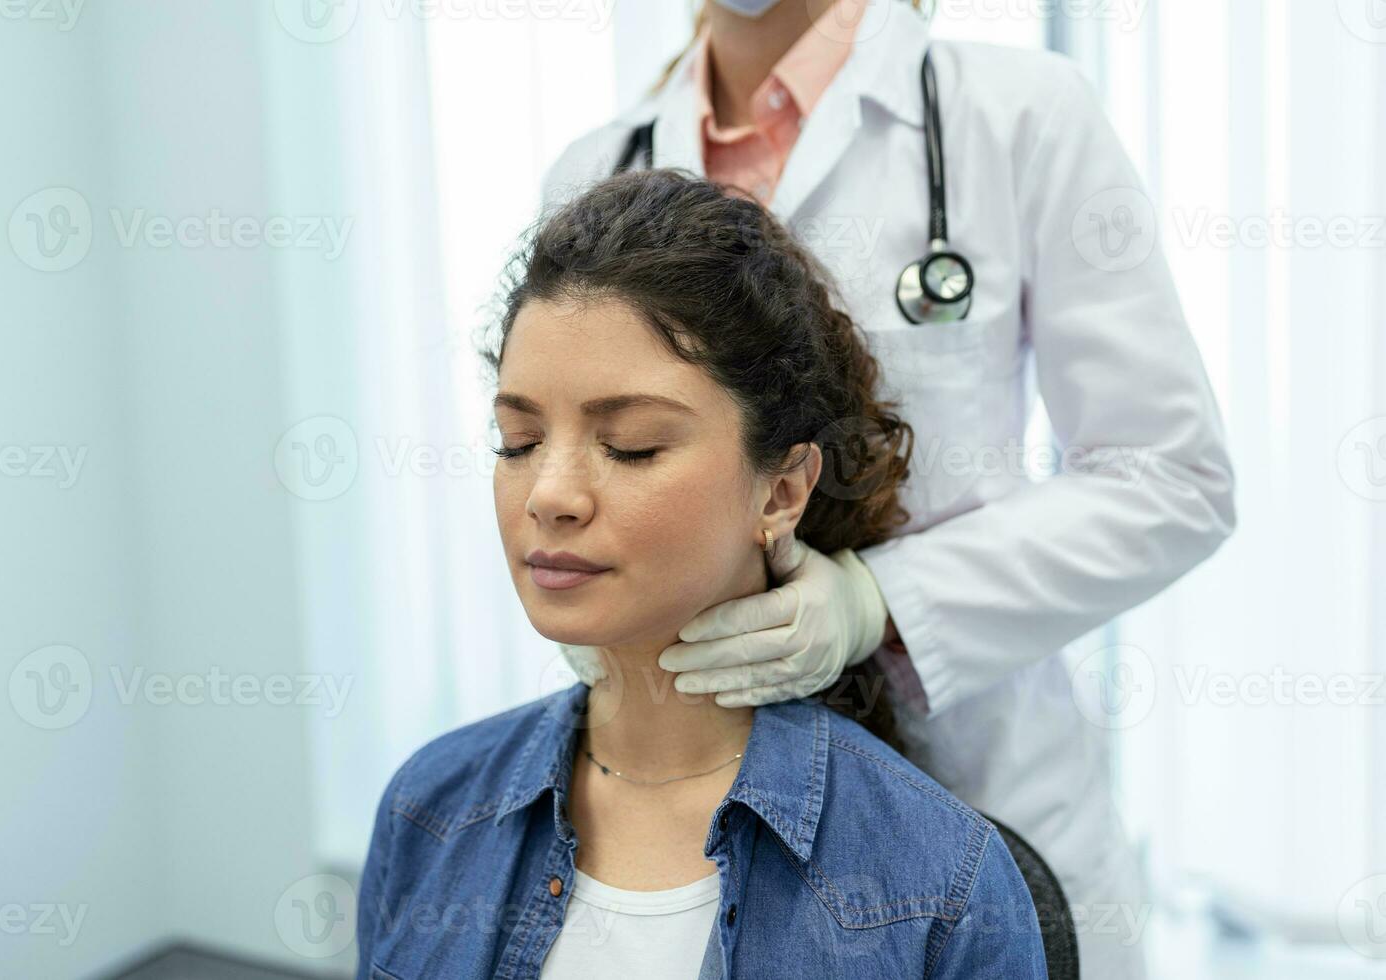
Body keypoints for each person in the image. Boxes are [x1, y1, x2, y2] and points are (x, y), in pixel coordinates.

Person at [541, 1, 1237, 977]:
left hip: (979, 788)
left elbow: (1173, 473)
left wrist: (882, 603)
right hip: (691, 797)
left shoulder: (1012, 115)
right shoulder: (596, 172)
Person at [355, 168, 1048, 979]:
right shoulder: (431, 812)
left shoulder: (939, 883)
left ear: (783, 490)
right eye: (518, 441)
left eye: (633, 446)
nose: (549, 494)